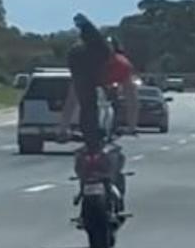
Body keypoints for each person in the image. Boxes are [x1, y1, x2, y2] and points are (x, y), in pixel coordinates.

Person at [58, 13, 138, 152]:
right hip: (84, 57)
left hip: (78, 58)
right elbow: (131, 99)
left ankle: (91, 140)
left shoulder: (116, 66)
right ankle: (85, 26)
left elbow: (72, 100)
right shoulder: (121, 66)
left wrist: (63, 128)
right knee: (88, 107)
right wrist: (132, 126)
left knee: (87, 106)